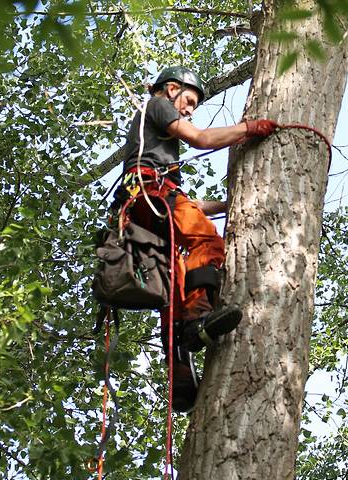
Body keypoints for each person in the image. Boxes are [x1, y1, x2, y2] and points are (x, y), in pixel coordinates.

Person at [117, 65, 277, 411]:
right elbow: (201, 139)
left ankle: (179, 363)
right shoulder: (158, 105)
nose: (189, 110)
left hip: (147, 206)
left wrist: (228, 205)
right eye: (189, 101)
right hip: (153, 196)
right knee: (206, 242)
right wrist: (248, 129)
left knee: (173, 284)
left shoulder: (154, 148)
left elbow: (186, 204)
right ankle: (197, 318)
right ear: (172, 89)